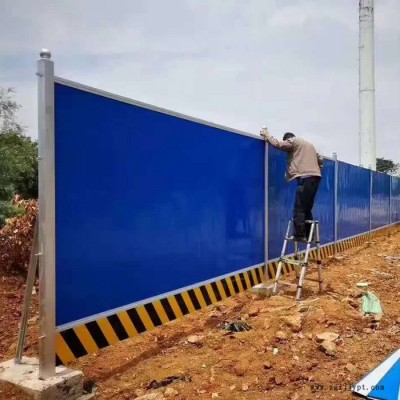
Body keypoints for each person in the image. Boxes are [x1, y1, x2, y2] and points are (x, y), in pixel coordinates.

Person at [260, 128, 323, 241]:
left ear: (288, 139)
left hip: (305, 177)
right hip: (316, 178)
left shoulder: (293, 141)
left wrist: (266, 134)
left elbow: (278, 144)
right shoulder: (309, 145)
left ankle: (299, 235)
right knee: (307, 208)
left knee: (299, 208)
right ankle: (310, 235)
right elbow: (320, 160)